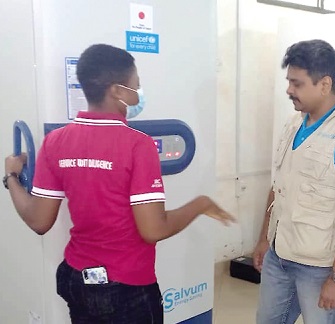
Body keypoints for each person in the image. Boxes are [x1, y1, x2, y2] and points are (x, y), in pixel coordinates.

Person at [3, 44, 234, 323]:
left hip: (76, 278)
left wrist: (11, 177)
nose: (138, 93)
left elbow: (39, 220)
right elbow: (153, 229)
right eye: (136, 86)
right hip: (125, 288)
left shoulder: (55, 142)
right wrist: (200, 204)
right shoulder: (138, 145)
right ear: (117, 91)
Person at [253, 39, 335, 324]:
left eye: (297, 84)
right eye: (289, 82)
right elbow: (278, 187)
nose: (289, 90)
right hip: (278, 254)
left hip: (318, 268)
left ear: (324, 84)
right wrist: (263, 240)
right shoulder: (294, 123)